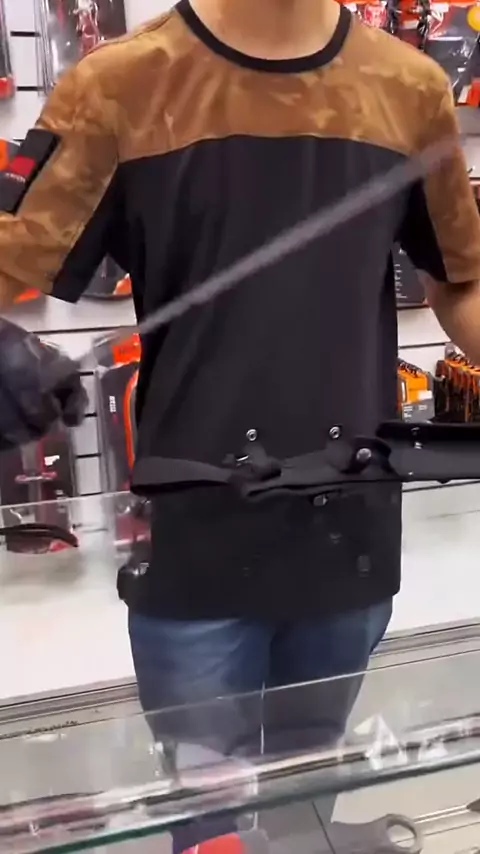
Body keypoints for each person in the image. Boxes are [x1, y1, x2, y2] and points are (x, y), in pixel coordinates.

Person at [1, 0, 480, 846]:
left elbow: (462, 277)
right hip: (197, 543)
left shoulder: (408, 88)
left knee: (306, 806)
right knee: (210, 823)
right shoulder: (121, 86)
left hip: (352, 536)